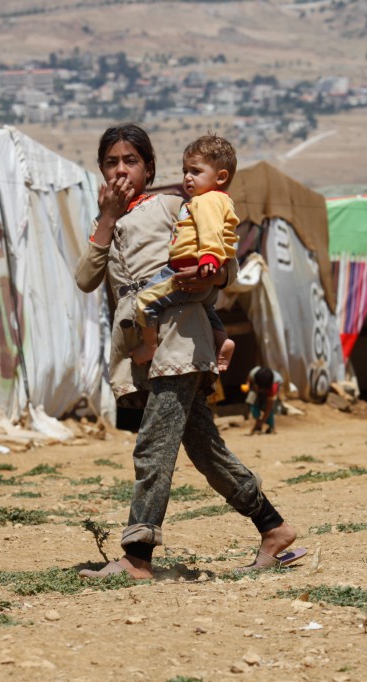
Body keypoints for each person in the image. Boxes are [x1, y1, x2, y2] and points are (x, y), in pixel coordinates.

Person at [74, 123, 303, 578]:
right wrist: (106, 218)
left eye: (130, 160)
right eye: (111, 162)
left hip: (179, 339)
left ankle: (137, 556)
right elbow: (85, 279)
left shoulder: (175, 206)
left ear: (149, 167)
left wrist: (208, 276)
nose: (121, 169)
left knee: (154, 445)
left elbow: (224, 258)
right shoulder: (107, 222)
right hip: (145, 345)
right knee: (205, 448)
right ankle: (272, 528)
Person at [129, 135, 238, 372]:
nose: (187, 177)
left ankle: (149, 346)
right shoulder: (216, 201)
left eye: (196, 171)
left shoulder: (206, 202)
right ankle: (222, 341)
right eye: (185, 170)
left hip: (185, 269)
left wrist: (208, 258)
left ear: (220, 177)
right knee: (208, 309)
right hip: (203, 270)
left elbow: (211, 232)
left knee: (144, 301)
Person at [245, 366, 283, 435]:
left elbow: (269, 407)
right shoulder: (253, 373)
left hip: (272, 385)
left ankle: (271, 426)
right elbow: (249, 379)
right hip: (257, 386)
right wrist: (247, 385)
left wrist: (261, 423)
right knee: (252, 401)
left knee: (266, 406)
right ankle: (257, 420)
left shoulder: (273, 386)